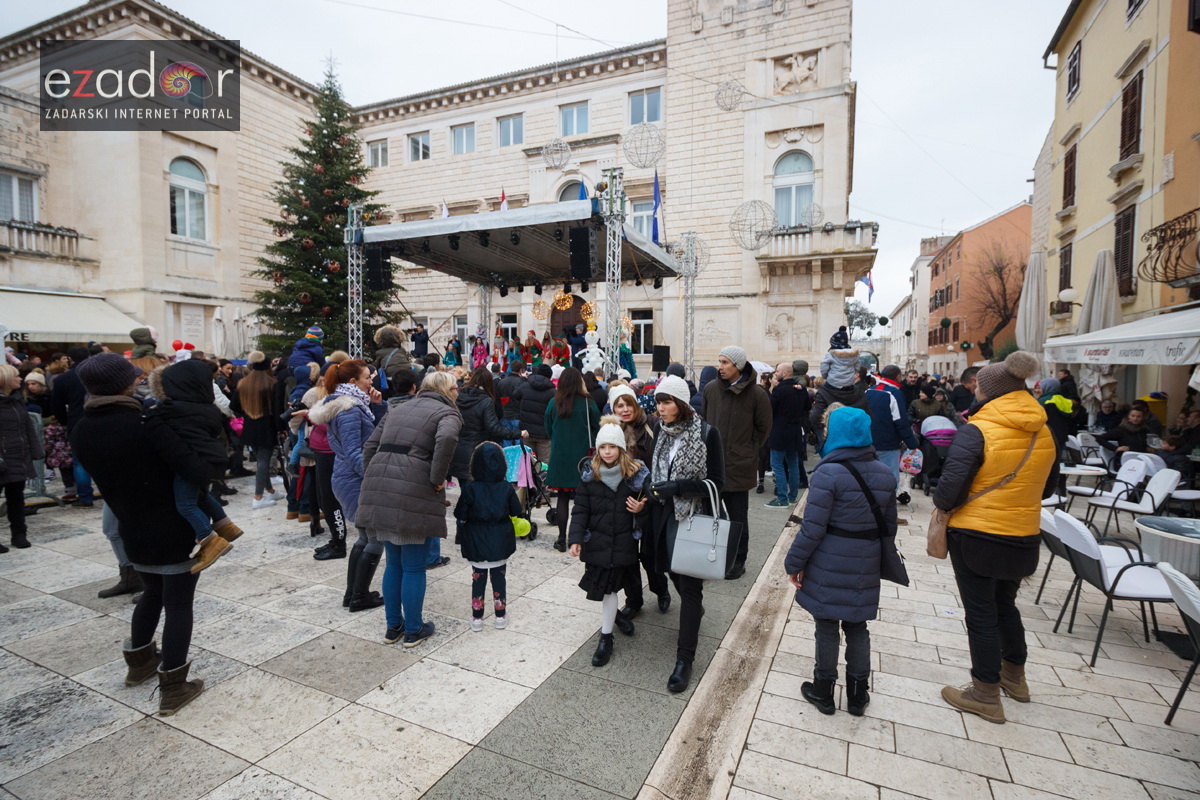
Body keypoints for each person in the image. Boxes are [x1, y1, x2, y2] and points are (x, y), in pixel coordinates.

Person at [70, 354, 206, 716]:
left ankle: (139, 662)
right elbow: (192, 467)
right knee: (178, 605)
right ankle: (174, 688)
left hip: (130, 526)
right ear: (125, 382)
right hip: (168, 525)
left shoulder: (82, 427)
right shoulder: (144, 421)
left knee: (152, 595)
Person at [933, 351, 1057, 725]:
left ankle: (985, 693)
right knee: (1006, 605)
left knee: (981, 614)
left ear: (988, 391)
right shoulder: (1043, 427)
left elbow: (948, 491)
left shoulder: (979, 429)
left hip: (977, 535)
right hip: (1023, 534)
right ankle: (1014, 678)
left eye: (978, 386)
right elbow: (1048, 486)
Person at [785, 406, 897, 716]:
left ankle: (824, 690)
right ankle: (859, 694)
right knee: (857, 625)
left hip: (829, 559)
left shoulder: (828, 472)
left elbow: (813, 528)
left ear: (834, 433)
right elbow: (889, 527)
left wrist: (793, 562)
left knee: (826, 624)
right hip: (865, 560)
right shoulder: (885, 473)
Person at [357, 371, 462, 646]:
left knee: (393, 562)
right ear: (445, 390)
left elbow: (370, 445)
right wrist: (438, 478)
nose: (458, 393)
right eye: (455, 388)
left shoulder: (398, 407)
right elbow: (447, 440)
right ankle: (414, 630)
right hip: (411, 487)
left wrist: (375, 476)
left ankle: (394, 627)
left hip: (382, 485)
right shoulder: (447, 413)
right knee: (414, 566)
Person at [645, 375, 725, 692]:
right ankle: (693, 610)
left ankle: (684, 660)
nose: (660, 408)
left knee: (690, 588)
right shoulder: (661, 434)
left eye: (665, 402)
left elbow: (718, 484)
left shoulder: (707, 434)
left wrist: (678, 487)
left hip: (693, 517)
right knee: (671, 574)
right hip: (662, 516)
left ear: (680, 403)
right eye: (658, 402)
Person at [143, 361, 242, 572]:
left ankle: (209, 539)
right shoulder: (206, 407)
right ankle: (225, 524)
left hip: (191, 463)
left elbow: (156, 425)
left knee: (186, 504)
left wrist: (150, 413)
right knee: (202, 497)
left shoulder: (172, 410)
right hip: (210, 461)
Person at [570, 416, 650, 666]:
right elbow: (580, 510)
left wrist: (641, 509)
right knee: (604, 587)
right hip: (597, 543)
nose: (607, 452)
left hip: (624, 542)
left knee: (612, 586)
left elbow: (651, 506)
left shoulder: (635, 476)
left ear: (621, 449)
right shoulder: (589, 477)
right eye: (603, 447)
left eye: (612, 447)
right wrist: (575, 538)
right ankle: (611, 627)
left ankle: (610, 629)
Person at [307, 360, 386, 612]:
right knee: (374, 538)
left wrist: (378, 405)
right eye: (366, 378)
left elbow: (372, 433)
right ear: (352, 382)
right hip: (354, 479)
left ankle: (353, 593)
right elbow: (354, 451)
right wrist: (371, 478)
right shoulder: (349, 410)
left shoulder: (352, 404)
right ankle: (359, 596)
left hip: (349, 477)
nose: (371, 381)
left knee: (364, 537)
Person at [702, 345, 771, 579]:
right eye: (719, 361)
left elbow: (764, 429)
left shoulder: (757, 394)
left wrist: (747, 449)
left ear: (738, 366)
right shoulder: (711, 389)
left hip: (739, 466)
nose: (719, 367)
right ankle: (711, 555)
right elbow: (705, 423)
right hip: (711, 465)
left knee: (737, 517)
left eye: (725, 362)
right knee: (710, 514)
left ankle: (738, 560)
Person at [611, 385, 671, 624]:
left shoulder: (654, 425)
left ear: (635, 405)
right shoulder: (612, 430)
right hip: (624, 501)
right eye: (619, 405)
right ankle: (633, 600)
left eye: (628, 404)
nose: (624, 410)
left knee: (649, 555)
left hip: (650, 499)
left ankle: (661, 590)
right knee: (627, 557)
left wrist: (647, 501)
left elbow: (662, 466)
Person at [454, 441, 520, 632]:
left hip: (476, 540)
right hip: (500, 540)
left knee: (478, 578)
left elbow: (460, 514)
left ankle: (477, 619)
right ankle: (500, 616)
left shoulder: (470, 488)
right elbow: (516, 510)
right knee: (499, 579)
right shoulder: (506, 487)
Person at [296, 363, 350, 561]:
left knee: (330, 498)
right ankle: (336, 539)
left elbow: (334, 424)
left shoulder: (341, 401)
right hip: (320, 449)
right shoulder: (328, 398)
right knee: (323, 496)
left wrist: (310, 416)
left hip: (330, 451)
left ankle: (339, 542)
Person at [545, 367, 601, 551]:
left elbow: (548, 427)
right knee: (583, 500)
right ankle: (580, 537)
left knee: (562, 498)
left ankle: (562, 538)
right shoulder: (587, 403)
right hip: (582, 456)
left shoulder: (554, 402)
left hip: (560, 456)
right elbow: (597, 426)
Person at [451, 367, 520, 485]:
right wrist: (517, 433)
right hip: (477, 449)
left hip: (459, 448)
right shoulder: (486, 400)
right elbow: (493, 427)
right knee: (476, 491)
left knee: (465, 489)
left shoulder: (460, 397)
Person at [231, 352, 283, 508]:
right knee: (263, 462)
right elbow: (277, 408)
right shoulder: (272, 383)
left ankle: (270, 490)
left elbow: (234, 406)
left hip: (249, 426)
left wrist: (247, 412)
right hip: (267, 426)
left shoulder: (243, 383)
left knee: (262, 461)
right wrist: (281, 429)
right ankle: (258, 497)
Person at [0, 365, 42, 551]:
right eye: (17, 376)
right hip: (3, 459)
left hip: (18, 457)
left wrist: (36, 451)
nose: (21, 379)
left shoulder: (17, 401)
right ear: (6, 380)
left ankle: (19, 534)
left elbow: (27, 428)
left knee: (16, 498)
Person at [51, 346, 97, 508]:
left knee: (80, 462)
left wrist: (64, 421)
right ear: (89, 356)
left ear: (70, 358)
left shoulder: (63, 379)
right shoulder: (97, 374)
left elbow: (56, 405)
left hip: (77, 420)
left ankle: (85, 497)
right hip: (101, 416)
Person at [766, 363, 809, 507]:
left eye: (777, 371)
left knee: (777, 465)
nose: (775, 373)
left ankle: (782, 498)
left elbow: (769, 409)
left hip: (779, 431)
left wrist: (772, 390)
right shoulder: (800, 390)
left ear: (785, 373)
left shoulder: (780, 390)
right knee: (793, 464)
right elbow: (807, 407)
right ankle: (792, 496)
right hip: (795, 430)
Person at [864, 376, 918, 491]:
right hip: (888, 444)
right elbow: (900, 421)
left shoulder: (868, 391)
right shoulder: (894, 393)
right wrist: (911, 443)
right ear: (898, 377)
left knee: (870, 478)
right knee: (889, 479)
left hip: (867, 442)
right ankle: (887, 505)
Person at [810, 328, 866, 432]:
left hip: (832, 383)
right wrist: (852, 373)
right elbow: (858, 366)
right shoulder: (854, 355)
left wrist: (825, 376)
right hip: (849, 383)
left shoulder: (831, 354)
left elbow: (824, 366)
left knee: (822, 391)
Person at [513, 363, 556, 468]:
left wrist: (522, 380)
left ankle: (528, 483)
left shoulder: (525, 385)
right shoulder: (553, 392)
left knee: (527, 463)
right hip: (544, 433)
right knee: (544, 465)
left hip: (526, 431)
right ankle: (542, 483)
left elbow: (514, 395)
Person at [1035, 377, 1080, 457]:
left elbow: (1037, 419)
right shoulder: (1064, 400)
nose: (1039, 390)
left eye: (1041, 387)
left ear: (1047, 387)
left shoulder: (1043, 400)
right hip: (1061, 436)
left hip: (1047, 436)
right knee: (1057, 460)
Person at [372, 324, 413, 396]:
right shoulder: (401, 351)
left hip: (389, 385)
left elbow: (378, 368)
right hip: (405, 383)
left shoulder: (380, 353)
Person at [496, 361, 527, 446]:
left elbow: (498, 399)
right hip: (518, 414)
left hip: (505, 414)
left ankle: (506, 458)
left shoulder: (501, 382)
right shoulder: (522, 382)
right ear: (520, 370)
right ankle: (518, 459)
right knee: (519, 441)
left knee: (506, 441)